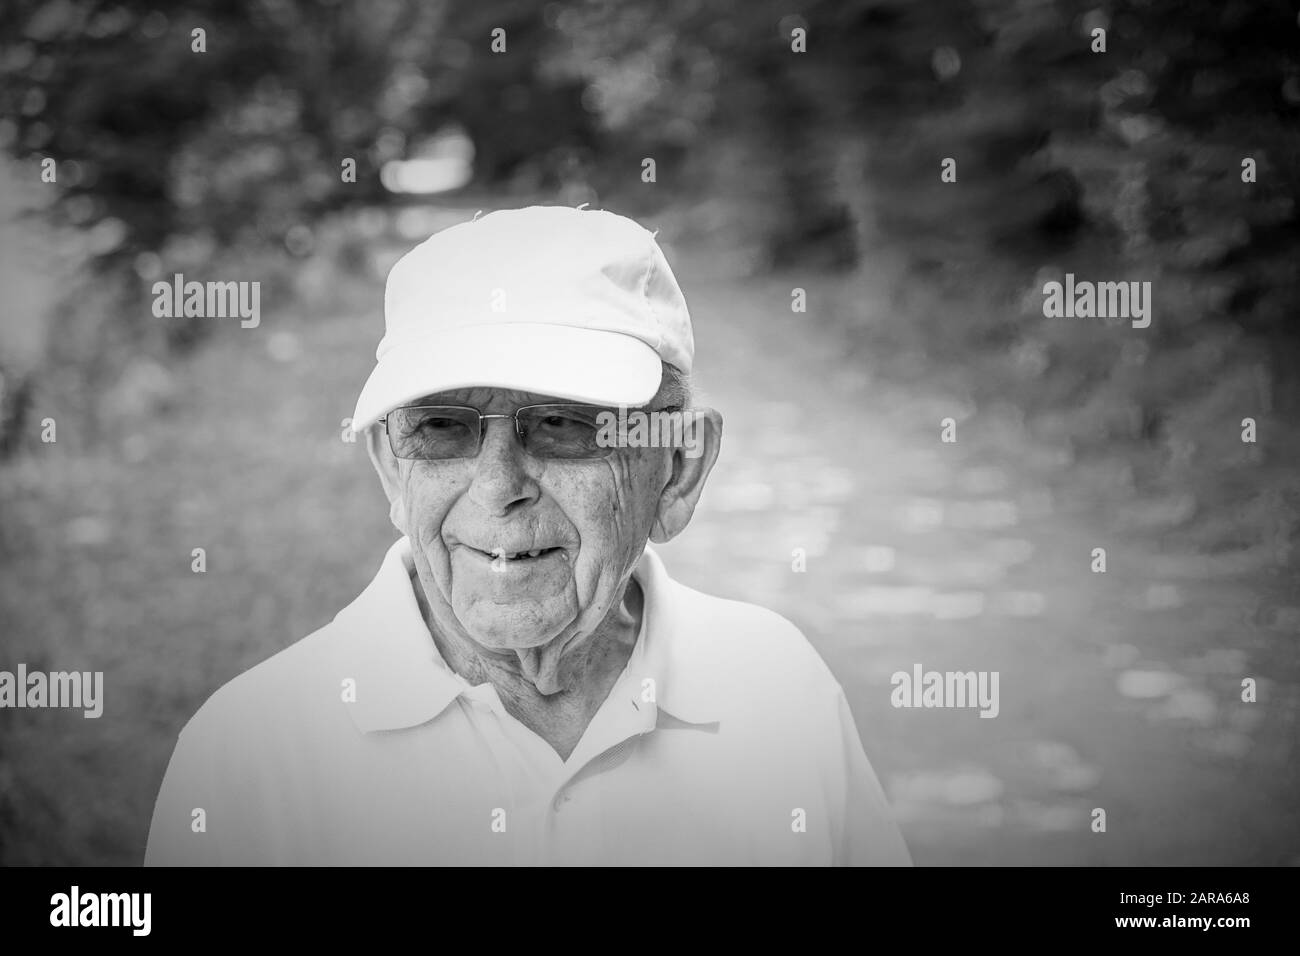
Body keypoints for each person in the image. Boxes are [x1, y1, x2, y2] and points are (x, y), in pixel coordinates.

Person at [144, 205, 912, 866]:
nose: (497, 485)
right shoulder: (248, 758)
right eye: (442, 428)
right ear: (389, 466)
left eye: (564, 425)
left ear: (677, 468)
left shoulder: (778, 692)